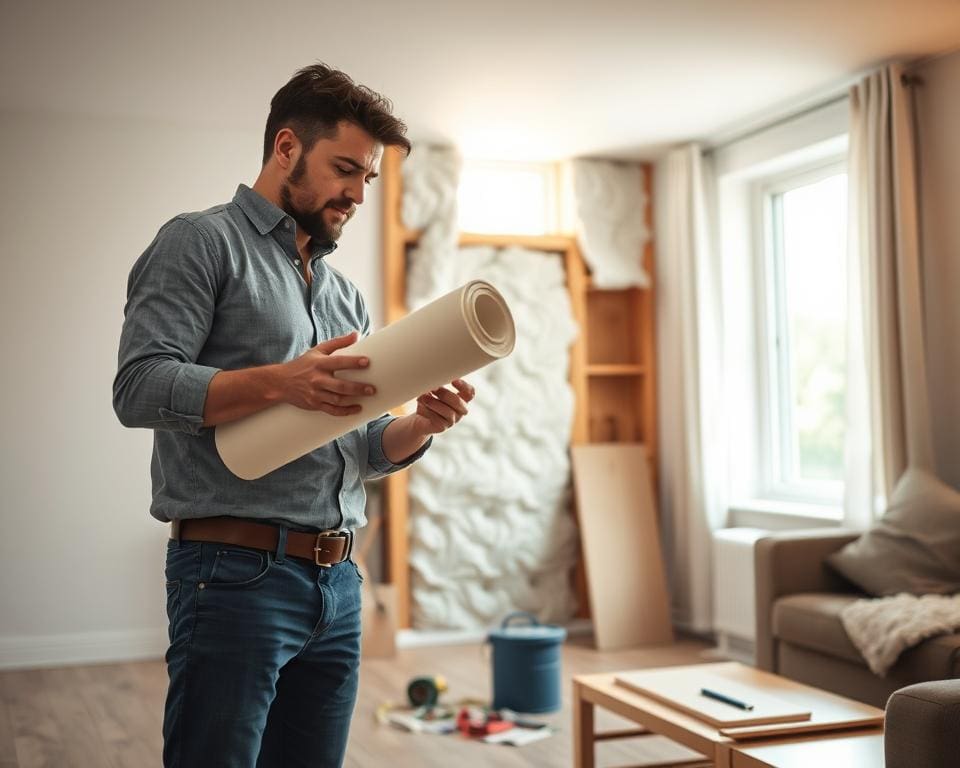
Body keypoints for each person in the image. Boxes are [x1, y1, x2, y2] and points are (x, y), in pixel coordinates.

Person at [113, 63, 474, 768]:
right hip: (232, 573)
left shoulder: (346, 299)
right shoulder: (199, 243)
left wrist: (420, 426)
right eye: (345, 168)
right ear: (286, 148)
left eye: (367, 178)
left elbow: (362, 447)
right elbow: (139, 387)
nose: (356, 193)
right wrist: (284, 383)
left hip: (339, 587)